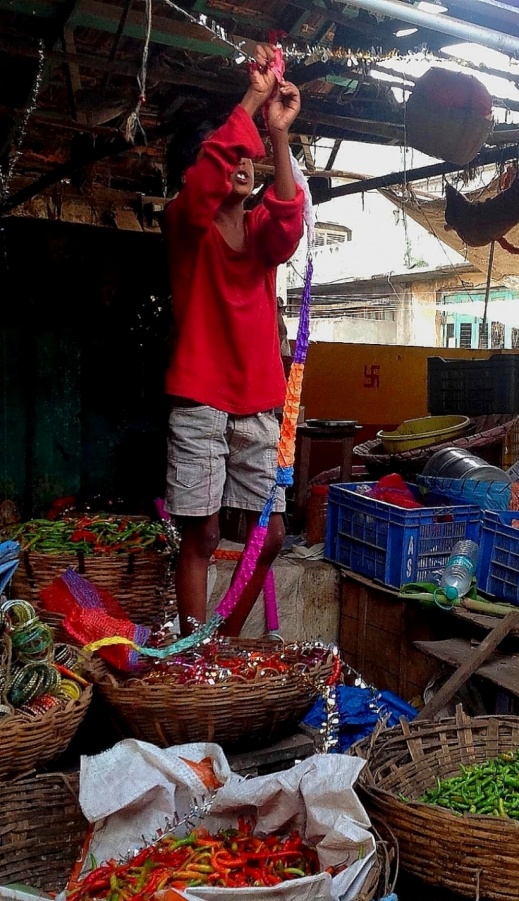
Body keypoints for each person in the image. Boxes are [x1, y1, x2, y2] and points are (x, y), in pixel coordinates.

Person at [163, 43, 304, 636]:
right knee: (203, 534)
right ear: (202, 168)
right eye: (230, 157)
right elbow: (202, 185)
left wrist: (276, 135)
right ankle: (195, 656)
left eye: (249, 160)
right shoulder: (183, 220)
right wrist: (249, 98)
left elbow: (291, 219)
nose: (242, 164)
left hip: (259, 402)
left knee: (268, 536)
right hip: (200, 399)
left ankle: (221, 637)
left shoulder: (261, 228)